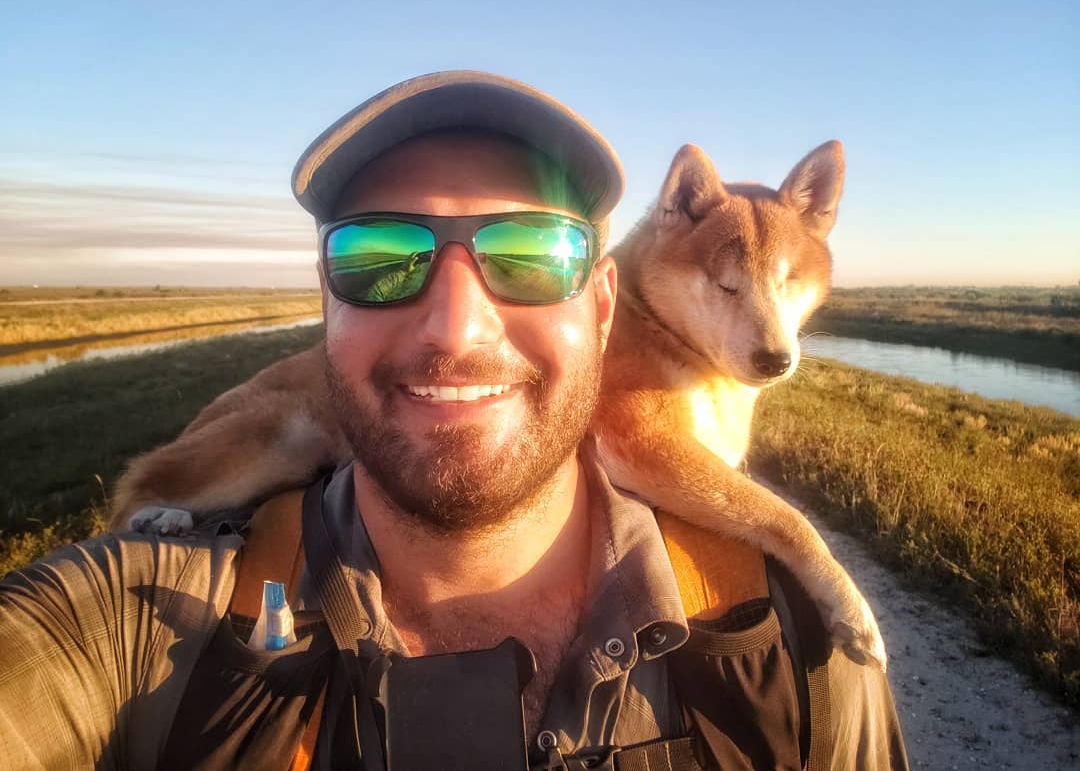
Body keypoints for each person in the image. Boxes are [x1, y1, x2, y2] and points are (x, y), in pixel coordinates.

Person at [0, 71, 908, 770]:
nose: (455, 325)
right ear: (324, 300)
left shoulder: (799, 654)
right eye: (383, 255)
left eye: (530, 253)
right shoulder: (132, 632)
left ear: (602, 301)